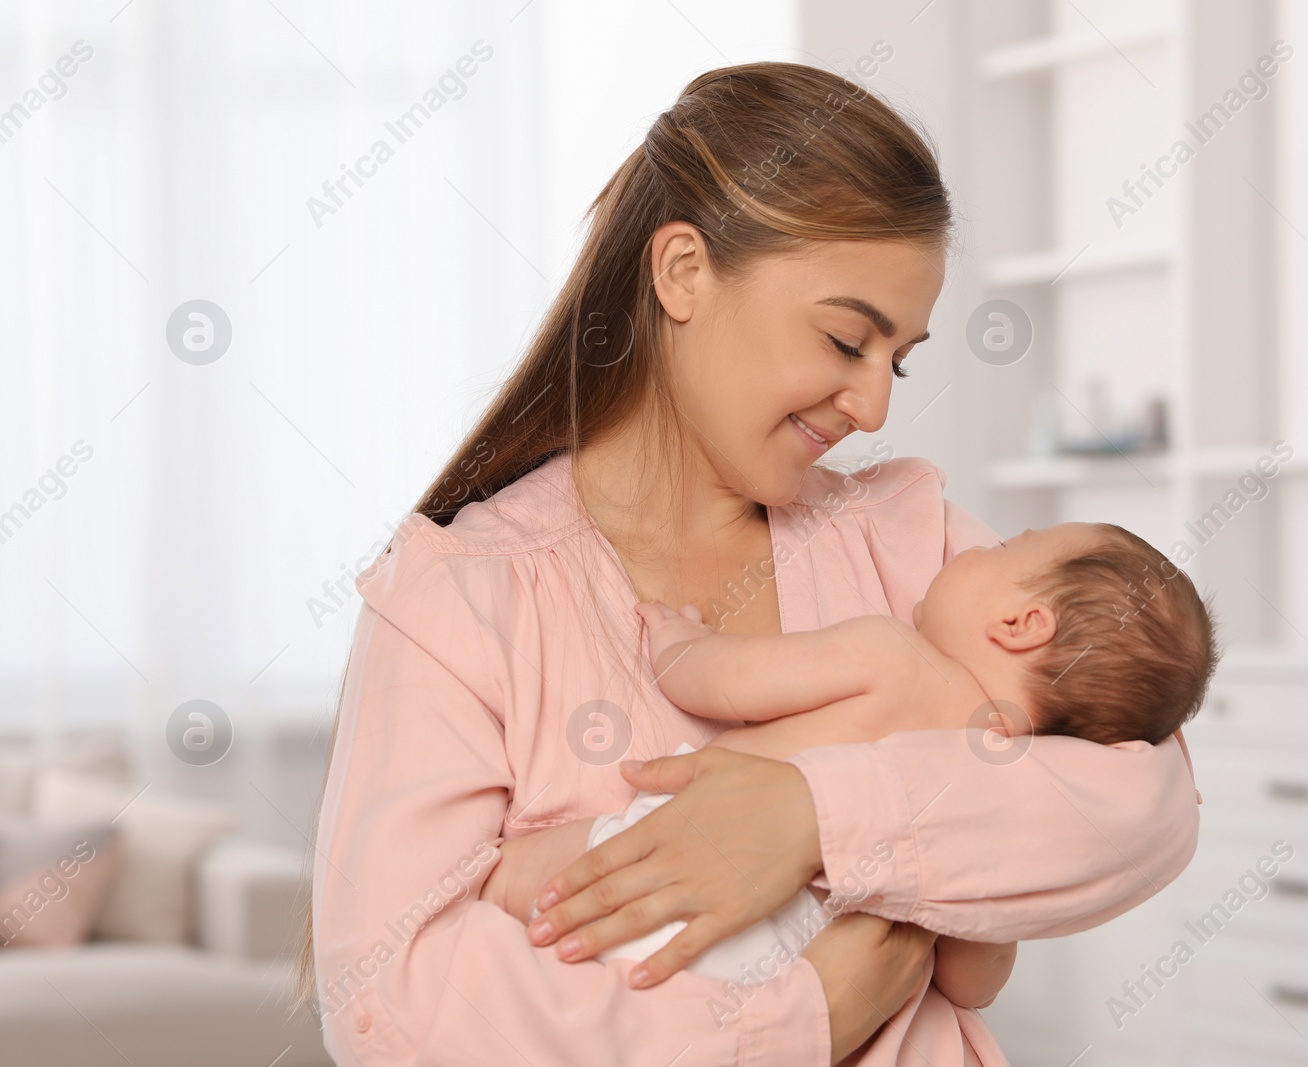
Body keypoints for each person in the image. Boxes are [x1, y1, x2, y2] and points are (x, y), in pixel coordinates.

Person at [300, 61, 1201, 1066]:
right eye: (844, 337)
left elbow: (1148, 798)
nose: (873, 404)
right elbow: (396, 1003)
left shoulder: (908, 539)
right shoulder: (461, 597)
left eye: (896, 358)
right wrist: (800, 1019)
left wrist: (814, 817)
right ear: (683, 271)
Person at [551, 520, 1216, 1007]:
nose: (978, 545)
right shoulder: (989, 818)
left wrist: (677, 637)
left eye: (1005, 546)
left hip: (682, 856)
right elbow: (970, 982)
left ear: (1020, 623)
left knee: (520, 895)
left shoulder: (892, 657)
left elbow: (720, 682)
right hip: (797, 964)